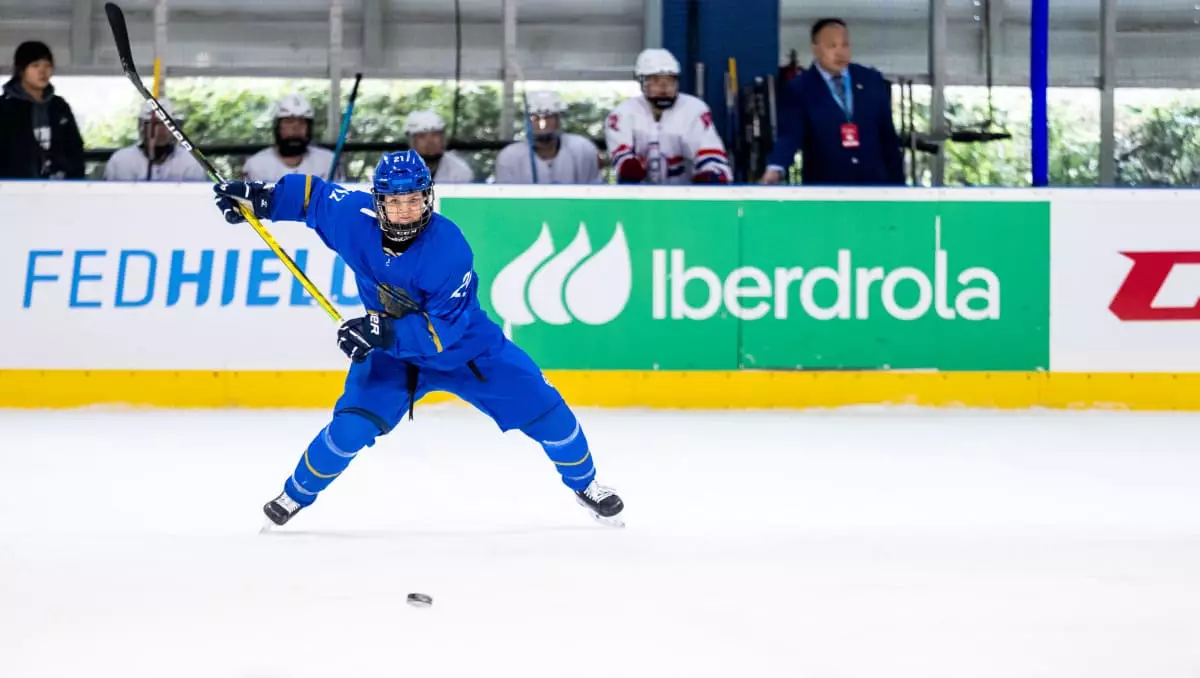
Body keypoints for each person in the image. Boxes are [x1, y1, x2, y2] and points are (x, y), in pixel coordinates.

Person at [210, 151, 624, 528]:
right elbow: (313, 198)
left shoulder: (448, 248)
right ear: (378, 202)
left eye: (414, 199)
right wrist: (260, 198)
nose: (406, 210)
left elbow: (443, 328)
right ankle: (294, 495)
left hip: (468, 350)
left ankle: (586, 484)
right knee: (350, 429)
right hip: (392, 355)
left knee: (549, 413)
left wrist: (378, 329)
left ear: (428, 198)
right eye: (395, 200)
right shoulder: (354, 219)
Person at [761, 18, 904, 186]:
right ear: (815, 49)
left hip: (874, 188)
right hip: (825, 190)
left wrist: (899, 185)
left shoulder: (871, 80)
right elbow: (790, 136)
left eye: (845, 45)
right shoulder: (800, 88)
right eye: (832, 46)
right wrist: (776, 168)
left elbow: (888, 139)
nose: (840, 52)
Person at [604, 48, 730, 185]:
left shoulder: (694, 109)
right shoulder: (623, 113)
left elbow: (709, 151)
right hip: (638, 196)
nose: (664, 88)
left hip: (686, 195)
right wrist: (627, 166)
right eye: (656, 80)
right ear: (642, 81)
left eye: (670, 80)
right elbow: (621, 158)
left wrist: (712, 173)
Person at [0, 40, 84, 179]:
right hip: (13, 188)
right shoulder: (4, 107)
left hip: (59, 187)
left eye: (48, 66)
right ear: (21, 70)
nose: (43, 71)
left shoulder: (59, 106)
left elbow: (75, 148)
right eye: (35, 66)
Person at [494, 91, 603, 184]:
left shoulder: (583, 149)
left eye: (548, 117)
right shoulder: (509, 157)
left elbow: (595, 192)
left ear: (559, 119)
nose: (542, 123)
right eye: (534, 117)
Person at [104, 98, 207, 181]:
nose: (160, 130)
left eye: (166, 124)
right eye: (154, 124)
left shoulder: (190, 161)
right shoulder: (121, 161)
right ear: (141, 128)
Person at [242, 93, 338, 182]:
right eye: (289, 121)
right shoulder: (256, 165)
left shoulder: (328, 161)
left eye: (302, 122)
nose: (296, 128)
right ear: (277, 126)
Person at [403, 110, 474, 183]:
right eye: (422, 136)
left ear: (444, 139)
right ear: (411, 142)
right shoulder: (396, 170)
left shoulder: (460, 171)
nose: (430, 141)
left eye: (435, 135)